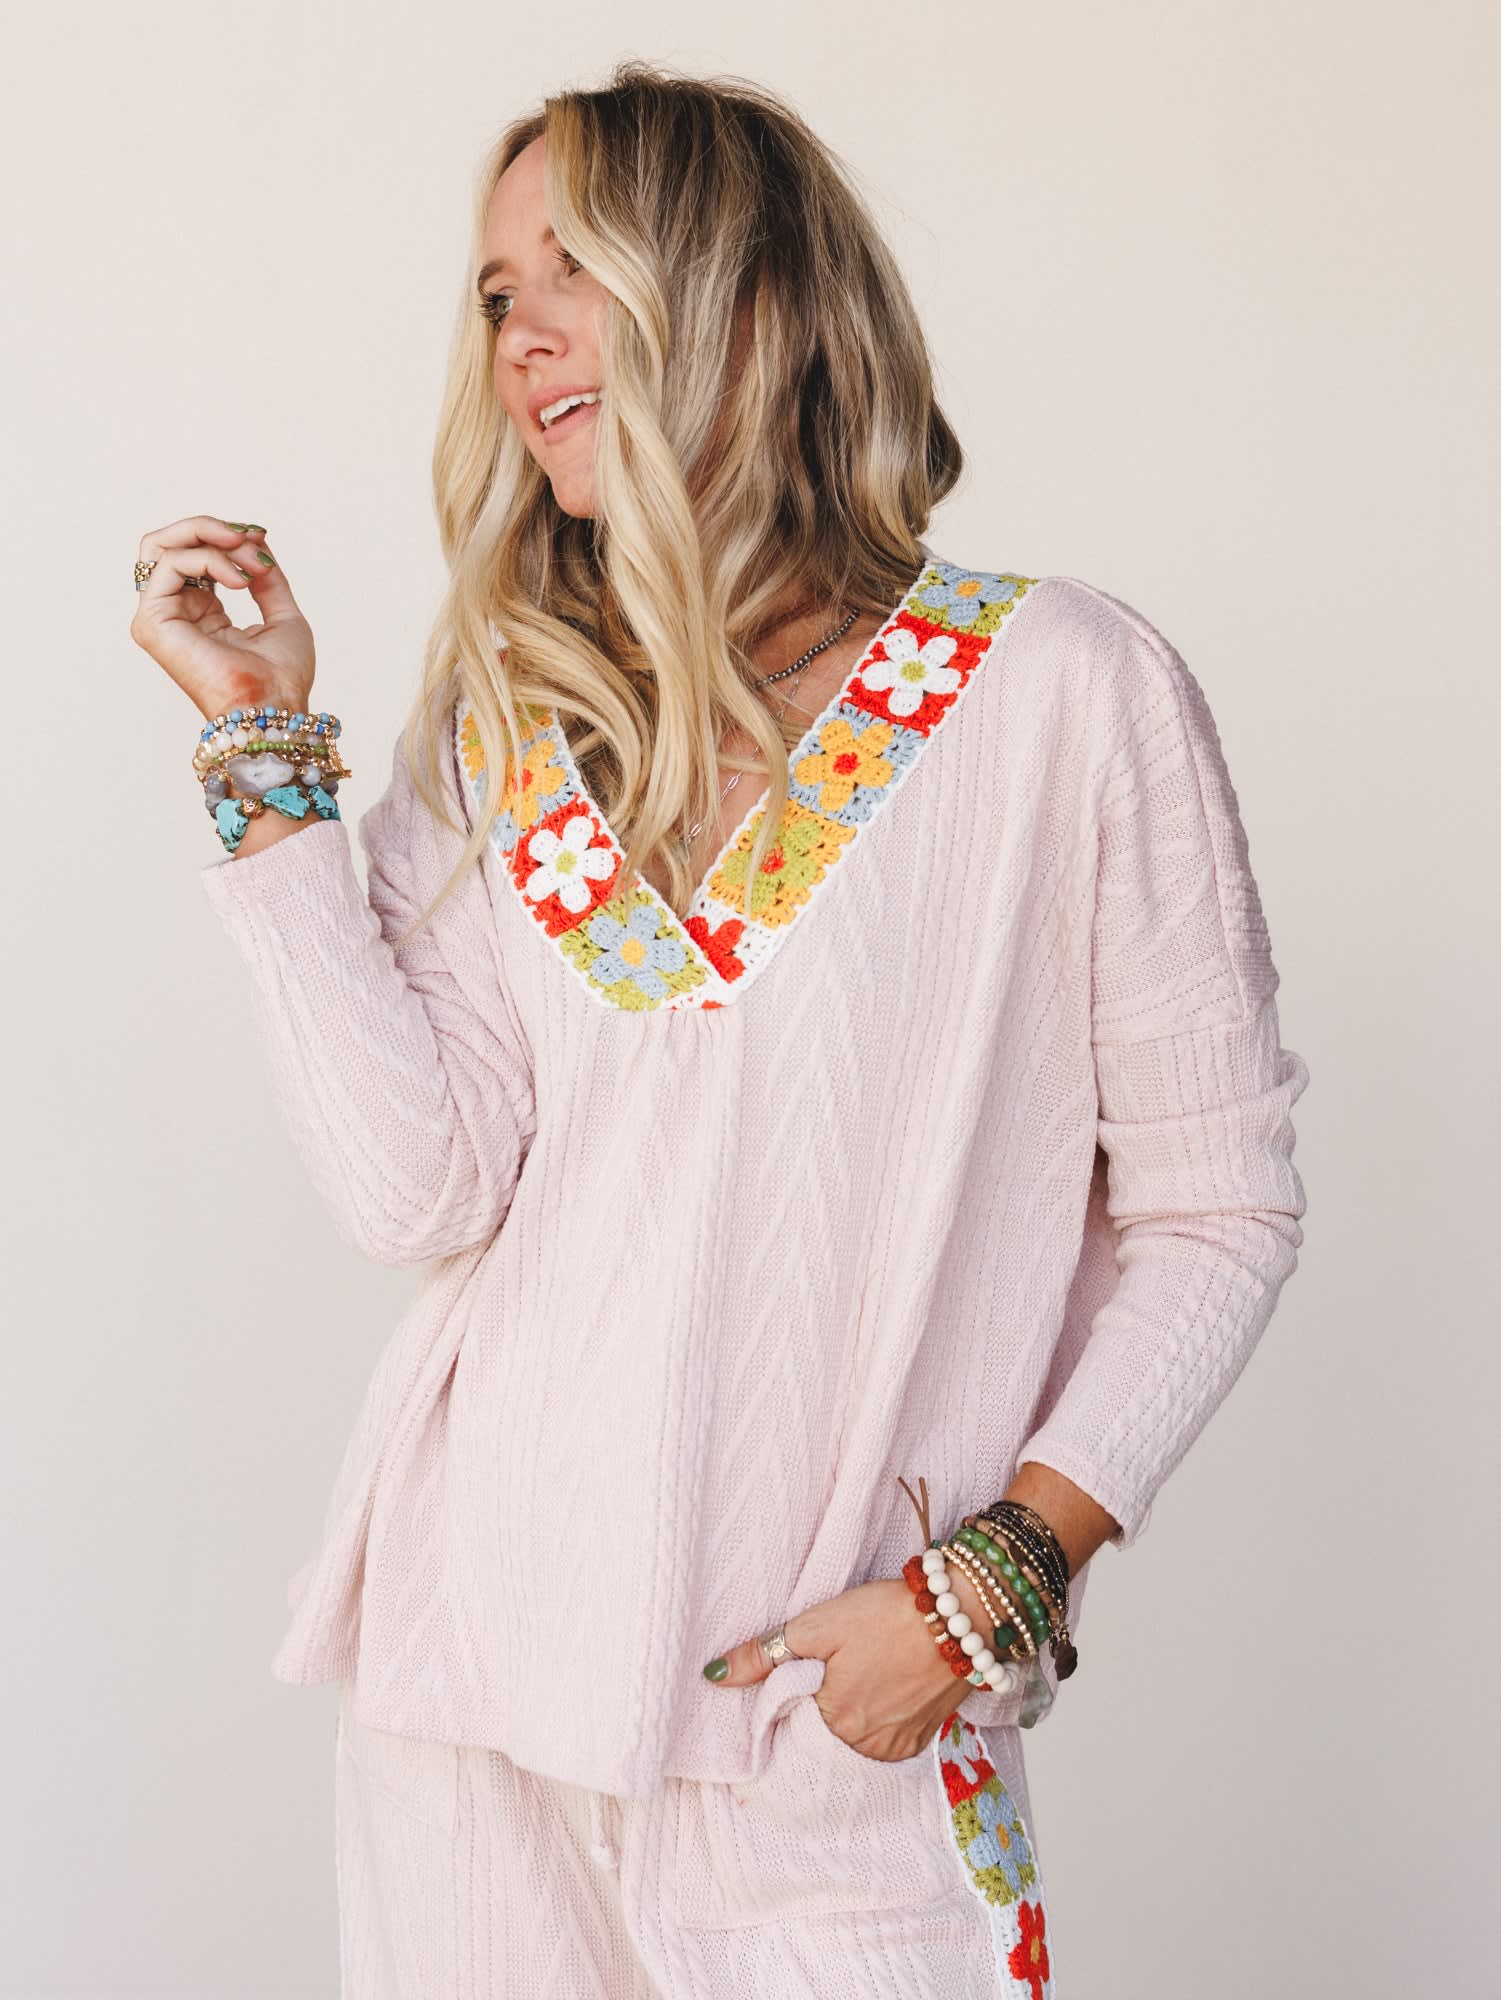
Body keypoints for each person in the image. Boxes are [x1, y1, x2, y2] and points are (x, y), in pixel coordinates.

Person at [130, 60, 1310, 2000]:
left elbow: (1219, 1208)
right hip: (471, 1708)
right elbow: (417, 1184)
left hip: (828, 1737)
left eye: (574, 272)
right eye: (497, 295)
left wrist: (993, 1583)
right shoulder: (512, 723)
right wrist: (264, 764)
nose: (522, 339)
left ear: (751, 298)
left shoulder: (1063, 693)